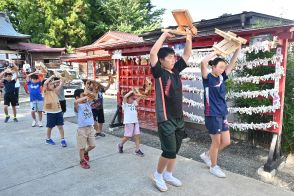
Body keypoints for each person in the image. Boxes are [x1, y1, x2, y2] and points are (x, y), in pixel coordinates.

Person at [149, 30, 192, 192]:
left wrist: (188, 38)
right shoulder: (158, 72)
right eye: (169, 57)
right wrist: (165, 35)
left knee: (175, 150)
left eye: (174, 57)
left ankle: (169, 174)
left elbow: (187, 54)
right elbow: (153, 52)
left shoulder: (175, 71)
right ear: (161, 60)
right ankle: (158, 175)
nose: (173, 60)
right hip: (165, 118)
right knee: (168, 150)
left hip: (178, 118)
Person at [199, 47, 241, 178]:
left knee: (226, 142)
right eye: (220, 67)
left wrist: (237, 49)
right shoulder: (207, 78)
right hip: (212, 114)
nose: (223, 69)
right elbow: (202, 62)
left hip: (222, 113)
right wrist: (215, 52)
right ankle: (213, 166)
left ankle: (207, 155)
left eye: (224, 67)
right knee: (216, 143)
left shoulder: (222, 77)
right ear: (213, 67)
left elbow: (232, 63)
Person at [117, 89, 145, 157]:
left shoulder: (133, 103)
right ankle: (120, 144)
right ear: (127, 99)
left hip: (135, 122)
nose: (133, 99)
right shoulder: (125, 104)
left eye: (133, 98)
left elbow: (138, 99)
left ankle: (137, 150)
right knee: (128, 136)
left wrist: (142, 95)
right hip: (129, 122)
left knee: (137, 135)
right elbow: (124, 97)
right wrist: (132, 91)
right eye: (131, 98)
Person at [74, 89, 96, 169]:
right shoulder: (78, 106)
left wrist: (90, 93)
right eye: (82, 95)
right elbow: (75, 102)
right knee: (82, 147)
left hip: (90, 128)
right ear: (77, 97)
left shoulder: (87, 103)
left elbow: (93, 96)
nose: (85, 97)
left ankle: (86, 152)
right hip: (82, 130)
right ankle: (82, 160)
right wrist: (86, 96)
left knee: (93, 145)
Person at [43, 75, 67, 147]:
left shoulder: (55, 91)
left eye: (53, 84)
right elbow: (45, 83)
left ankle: (63, 139)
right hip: (50, 112)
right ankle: (48, 139)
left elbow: (61, 83)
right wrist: (52, 77)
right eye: (50, 84)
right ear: (47, 86)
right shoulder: (45, 91)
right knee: (50, 127)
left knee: (60, 126)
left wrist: (61, 79)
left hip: (58, 111)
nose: (53, 85)